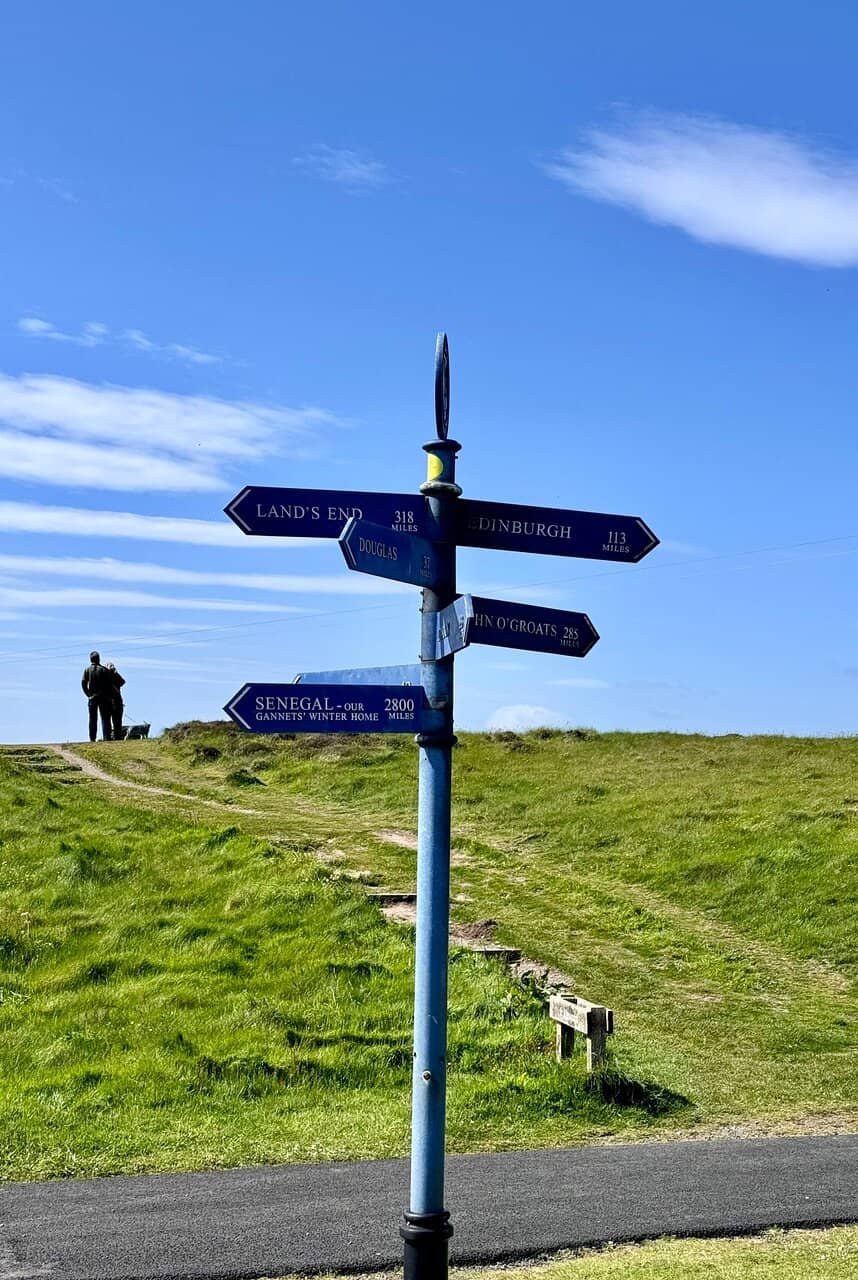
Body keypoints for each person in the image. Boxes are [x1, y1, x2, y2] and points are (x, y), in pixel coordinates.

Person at [80, 650, 113, 742]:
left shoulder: (87, 670)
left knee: (92, 718)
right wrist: (108, 696)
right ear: (98, 659)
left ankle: (92, 738)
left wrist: (88, 694)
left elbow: (83, 683)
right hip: (103, 697)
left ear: (90, 660)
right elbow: (109, 685)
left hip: (92, 698)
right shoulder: (103, 670)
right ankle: (107, 737)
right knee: (105, 718)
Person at [106, 662, 126, 741]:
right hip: (116, 700)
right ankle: (117, 737)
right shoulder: (115, 676)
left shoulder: (106, 676)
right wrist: (116, 672)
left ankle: (111, 736)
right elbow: (122, 682)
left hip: (110, 701)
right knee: (117, 721)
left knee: (110, 721)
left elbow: (122, 682)